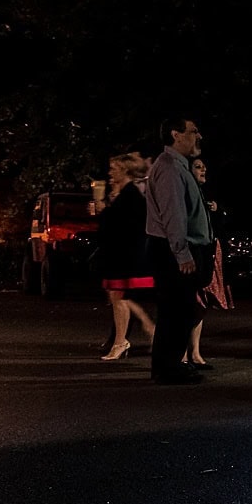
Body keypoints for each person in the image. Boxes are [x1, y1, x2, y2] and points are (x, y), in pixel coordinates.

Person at [143, 116, 214, 383]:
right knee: (176, 310)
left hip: (175, 249)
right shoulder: (171, 168)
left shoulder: (177, 166)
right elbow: (173, 215)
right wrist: (182, 253)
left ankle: (171, 365)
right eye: (193, 131)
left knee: (181, 310)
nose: (198, 136)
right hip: (172, 251)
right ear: (176, 135)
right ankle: (167, 368)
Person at [94, 151, 156, 361]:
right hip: (122, 253)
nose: (110, 173)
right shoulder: (125, 194)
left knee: (119, 296)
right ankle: (126, 338)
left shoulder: (131, 195)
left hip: (126, 254)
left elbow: (122, 225)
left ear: (125, 171)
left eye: (114, 169)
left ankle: (125, 339)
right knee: (118, 296)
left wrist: (103, 211)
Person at [187, 155, 233, 366]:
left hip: (211, 253)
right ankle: (183, 353)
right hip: (196, 253)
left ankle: (195, 352)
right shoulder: (188, 193)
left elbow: (220, 224)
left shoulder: (207, 195)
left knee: (202, 303)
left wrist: (217, 210)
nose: (203, 170)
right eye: (198, 167)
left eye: (204, 167)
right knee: (191, 302)